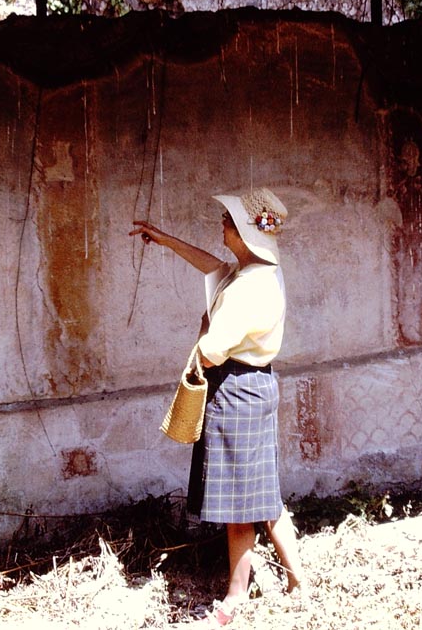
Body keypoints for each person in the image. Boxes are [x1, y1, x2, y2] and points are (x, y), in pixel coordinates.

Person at [130, 187, 304, 626]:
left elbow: (211, 351)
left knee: (240, 504)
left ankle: (236, 595)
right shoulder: (260, 271)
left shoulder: (247, 289)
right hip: (256, 386)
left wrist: (205, 327)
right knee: (263, 495)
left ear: (245, 232)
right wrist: (166, 240)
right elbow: (214, 266)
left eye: (228, 220)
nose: (222, 225)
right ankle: (299, 579)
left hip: (235, 393)